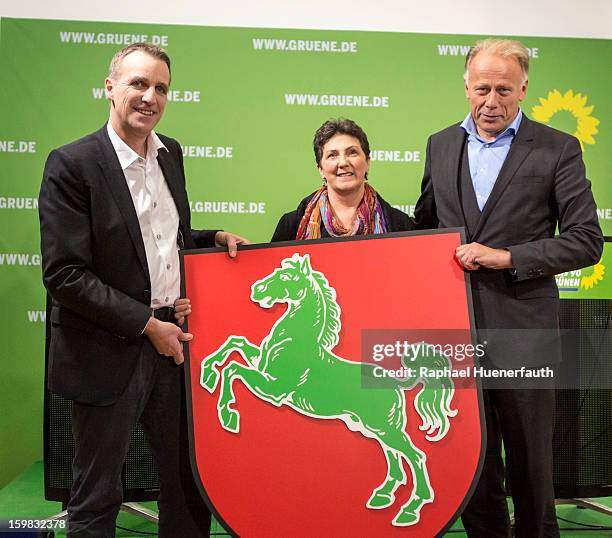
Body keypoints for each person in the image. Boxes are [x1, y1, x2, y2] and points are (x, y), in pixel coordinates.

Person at [39, 43, 248, 537]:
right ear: (109, 88)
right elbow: (66, 274)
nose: (150, 96)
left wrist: (209, 239)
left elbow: (158, 239)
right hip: (106, 350)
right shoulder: (72, 163)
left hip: (172, 347)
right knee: (96, 496)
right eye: (138, 84)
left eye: (160, 88)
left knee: (186, 484)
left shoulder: (170, 153)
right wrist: (148, 325)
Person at [413, 38, 603, 538]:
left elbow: (586, 241)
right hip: (454, 332)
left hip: (525, 329)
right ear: (465, 87)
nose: (491, 101)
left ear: (523, 88)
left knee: (530, 466)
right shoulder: (440, 144)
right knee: (473, 464)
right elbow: (426, 225)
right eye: (481, 89)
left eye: (503, 89)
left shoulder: (558, 147)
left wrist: (510, 257)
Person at [271, 118, 413, 241]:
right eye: (332, 155)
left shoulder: (400, 225)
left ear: (367, 162)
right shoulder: (291, 225)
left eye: (352, 152)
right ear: (320, 169)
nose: (343, 162)